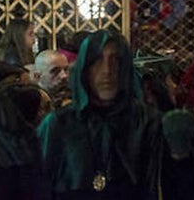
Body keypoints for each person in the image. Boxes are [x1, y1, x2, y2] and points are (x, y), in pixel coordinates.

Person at [38, 30, 164, 198]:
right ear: (85, 68)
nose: (107, 71)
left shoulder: (147, 122)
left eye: (116, 60)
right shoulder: (58, 124)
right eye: (97, 60)